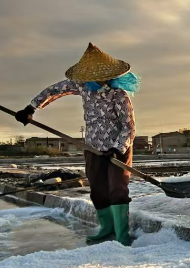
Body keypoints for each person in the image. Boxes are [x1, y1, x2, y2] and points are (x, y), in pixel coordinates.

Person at [15, 43, 139, 246]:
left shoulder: (119, 96)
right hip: (92, 147)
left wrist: (117, 148)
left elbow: (129, 128)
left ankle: (122, 233)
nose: (96, 79)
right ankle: (106, 228)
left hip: (117, 150)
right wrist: (31, 108)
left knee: (117, 188)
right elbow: (55, 89)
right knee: (98, 189)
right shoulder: (83, 86)